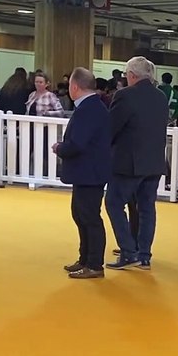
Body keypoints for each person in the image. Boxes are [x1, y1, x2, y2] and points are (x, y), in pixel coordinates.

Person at [104, 56, 169, 271]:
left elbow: (111, 128)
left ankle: (128, 251)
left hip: (128, 163)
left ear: (131, 75)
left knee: (114, 203)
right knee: (146, 208)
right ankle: (144, 255)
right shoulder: (161, 97)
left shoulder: (124, 96)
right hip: (154, 162)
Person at [53, 68, 112, 279]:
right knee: (81, 215)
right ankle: (85, 259)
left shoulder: (89, 109)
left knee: (89, 218)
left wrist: (60, 148)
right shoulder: (92, 106)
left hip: (90, 173)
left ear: (75, 87)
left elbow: (78, 144)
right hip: (88, 172)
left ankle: (94, 264)